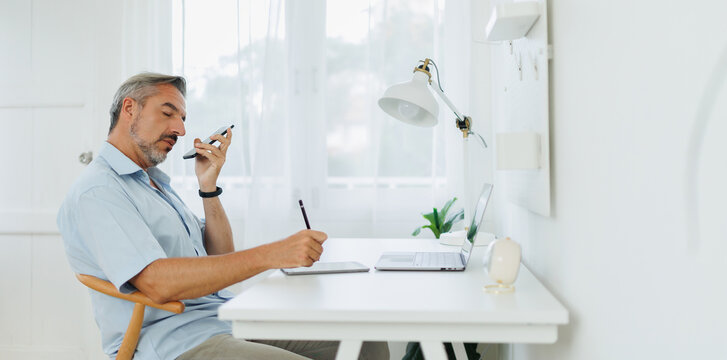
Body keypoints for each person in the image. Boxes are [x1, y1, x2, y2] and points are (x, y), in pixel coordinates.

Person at [57, 73, 389, 360]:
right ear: (129, 109)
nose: (181, 129)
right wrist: (273, 254)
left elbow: (219, 258)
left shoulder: (153, 183)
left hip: (222, 317)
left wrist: (208, 188)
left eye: (183, 118)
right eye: (168, 113)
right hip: (171, 340)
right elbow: (157, 284)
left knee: (365, 344)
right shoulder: (99, 192)